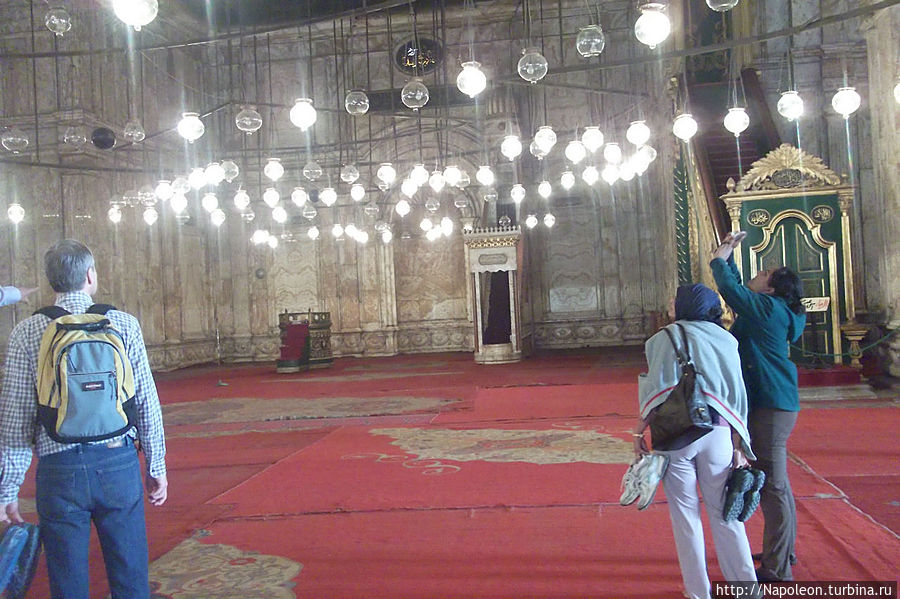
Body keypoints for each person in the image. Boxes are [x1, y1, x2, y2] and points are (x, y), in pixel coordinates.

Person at [0, 239, 168, 599]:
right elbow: (146, 402)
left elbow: (15, 420)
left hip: (59, 472)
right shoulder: (123, 324)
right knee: (130, 577)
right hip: (117, 463)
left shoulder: (27, 332)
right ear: (90, 275)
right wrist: (156, 466)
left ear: (51, 281)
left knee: (67, 582)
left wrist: (7, 490)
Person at [634, 284, 759, 599]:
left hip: (675, 435)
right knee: (725, 514)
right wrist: (739, 443)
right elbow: (736, 393)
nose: (670, 302)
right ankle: (746, 589)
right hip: (718, 434)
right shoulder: (726, 340)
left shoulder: (662, 338)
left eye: (675, 299)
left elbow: (656, 390)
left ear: (685, 305)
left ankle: (698, 593)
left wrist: (639, 431)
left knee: (685, 519)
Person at [710, 231, 806, 583]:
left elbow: (732, 290)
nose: (759, 273)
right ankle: (783, 551)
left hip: (771, 403)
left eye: (765, 273)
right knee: (778, 484)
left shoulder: (767, 310)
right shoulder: (773, 308)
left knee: (773, 486)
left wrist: (719, 260)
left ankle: (778, 569)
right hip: (775, 401)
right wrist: (729, 257)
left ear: (771, 289)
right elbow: (740, 290)